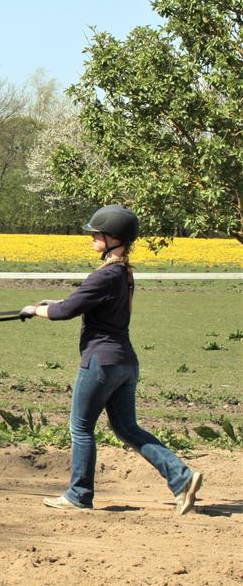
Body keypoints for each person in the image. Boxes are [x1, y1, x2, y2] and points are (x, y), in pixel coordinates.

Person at [20, 204, 203, 515]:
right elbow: (83, 303)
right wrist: (53, 302)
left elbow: (64, 312)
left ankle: (79, 494)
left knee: (80, 428)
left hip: (100, 362)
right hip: (125, 363)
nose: (92, 237)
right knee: (127, 428)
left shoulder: (104, 275)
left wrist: (33, 310)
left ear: (113, 237)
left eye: (97, 233)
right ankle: (181, 477)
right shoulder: (124, 275)